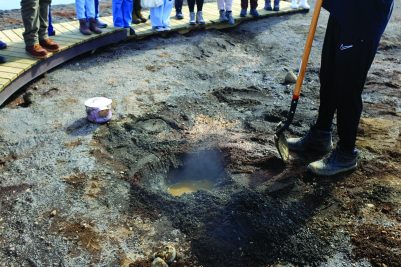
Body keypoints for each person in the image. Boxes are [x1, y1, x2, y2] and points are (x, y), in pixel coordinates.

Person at [286, 0, 394, 176]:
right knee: (329, 74)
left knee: (347, 83)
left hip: (363, 15)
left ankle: (346, 153)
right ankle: (321, 134)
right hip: (342, 9)